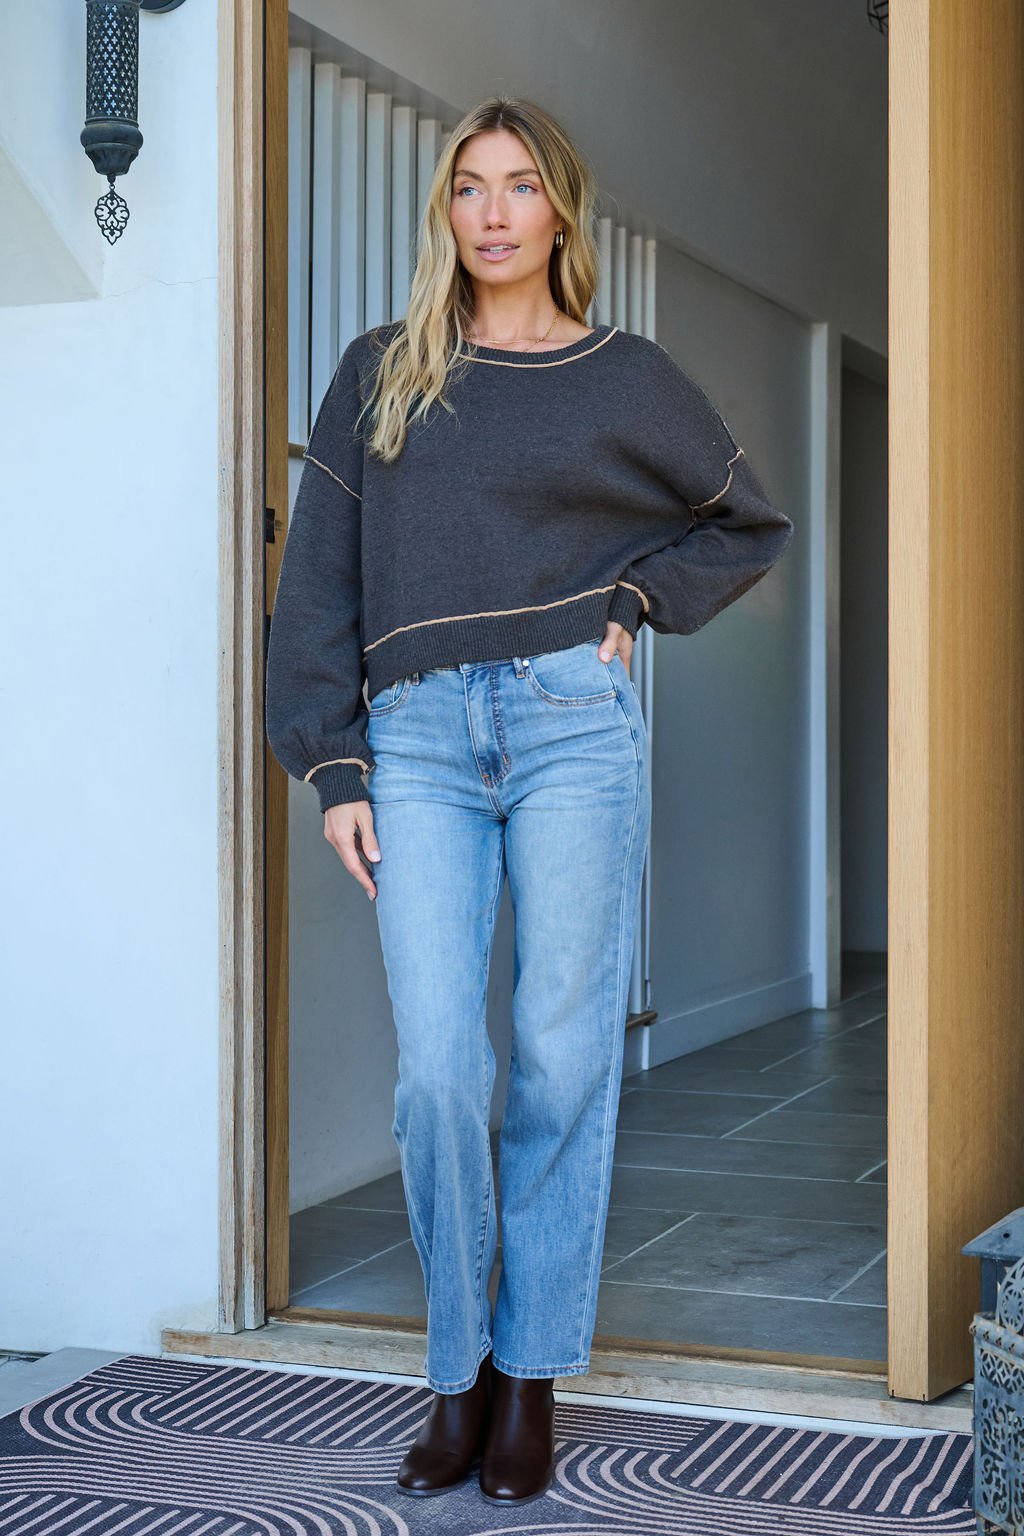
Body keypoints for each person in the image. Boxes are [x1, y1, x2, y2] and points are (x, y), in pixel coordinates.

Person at [265, 94, 794, 1506]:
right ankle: (456, 1368)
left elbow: (745, 522)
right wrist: (331, 761)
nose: (492, 212)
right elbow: (318, 580)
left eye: (518, 187)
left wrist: (634, 598)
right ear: (445, 214)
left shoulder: (628, 378)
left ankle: (530, 1374)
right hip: (418, 741)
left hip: (572, 729)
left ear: (562, 211)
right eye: (467, 189)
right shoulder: (382, 371)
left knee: (562, 1058)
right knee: (443, 1066)